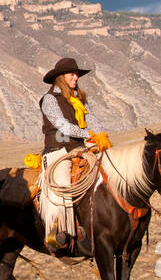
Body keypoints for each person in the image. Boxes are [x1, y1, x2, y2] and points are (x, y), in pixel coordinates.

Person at [38, 57, 112, 250]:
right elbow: (62, 126)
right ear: (61, 77)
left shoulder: (78, 100)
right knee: (61, 182)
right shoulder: (49, 99)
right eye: (72, 74)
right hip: (58, 150)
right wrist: (89, 134)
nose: (76, 77)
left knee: (105, 172)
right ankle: (57, 231)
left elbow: (91, 119)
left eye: (77, 74)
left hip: (79, 148)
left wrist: (101, 135)